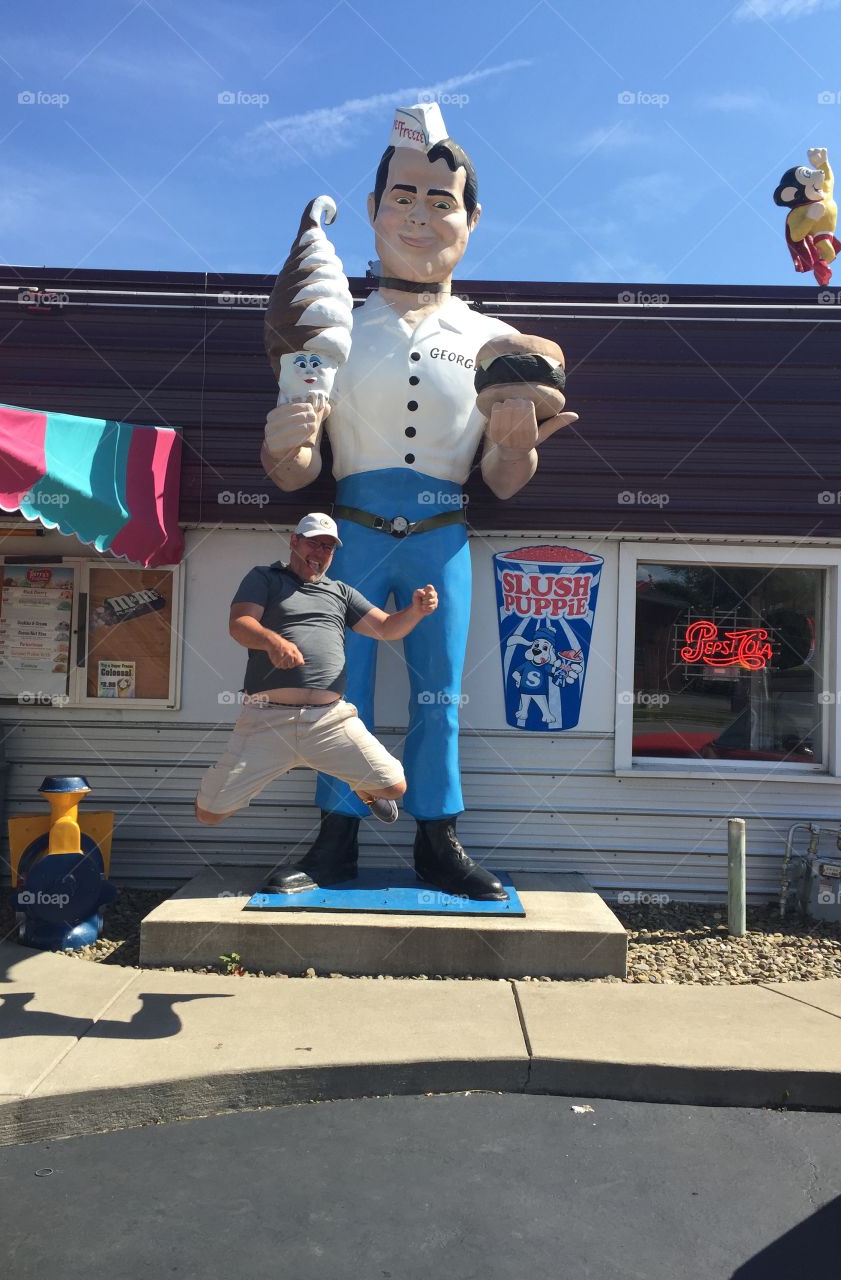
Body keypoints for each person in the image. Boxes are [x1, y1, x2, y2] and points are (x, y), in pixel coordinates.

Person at [260, 104, 575, 901]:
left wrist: (515, 443)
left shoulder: (496, 342)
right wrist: (281, 440)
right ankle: (335, 842)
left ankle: (440, 841)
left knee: (440, 694)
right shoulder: (330, 331)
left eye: (442, 202)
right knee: (337, 693)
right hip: (349, 536)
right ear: (370, 211)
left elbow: (502, 483)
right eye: (403, 197)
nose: (420, 216)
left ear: (472, 219)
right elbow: (297, 475)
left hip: (441, 532)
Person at [194, 513, 439, 895]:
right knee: (208, 814)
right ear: (294, 541)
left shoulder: (340, 592)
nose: (320, 551)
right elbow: (239, 624)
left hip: (330, 721)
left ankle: (365, 787)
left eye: (328, 546)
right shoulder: (264, 577)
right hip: (266, 721)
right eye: (313, 542)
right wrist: (272, 642)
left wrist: (417, 611)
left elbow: (387, 628)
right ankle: (226, 773)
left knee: (395, 786)